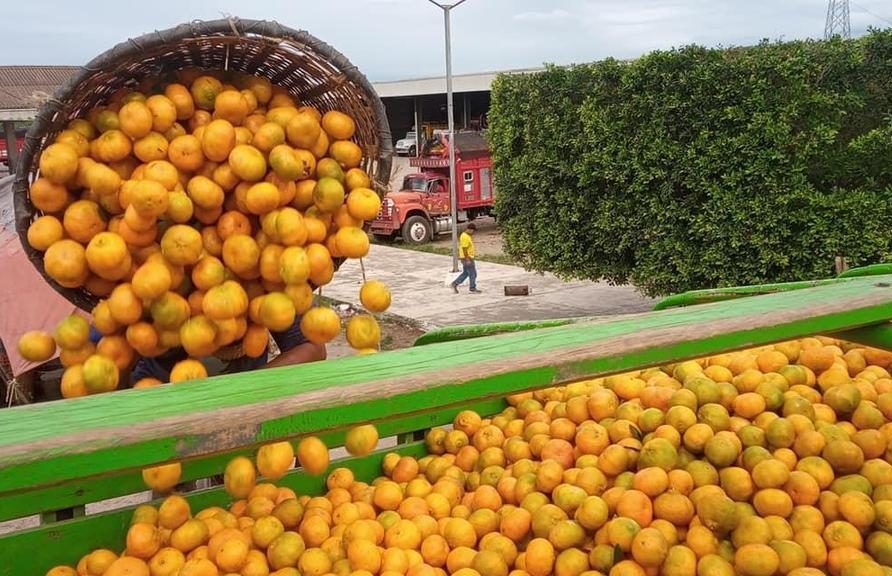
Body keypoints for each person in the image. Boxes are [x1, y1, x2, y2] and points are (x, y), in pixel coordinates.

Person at [130, 317, 326, 384]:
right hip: (163, 406)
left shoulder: (261, 274)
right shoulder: (154, 273)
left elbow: (312, 348)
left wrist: (243, 388)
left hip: (242, 408)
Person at [451, 223, 481, 294]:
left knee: (466, 273)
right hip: (467, 258)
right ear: (470, 229)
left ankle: (455, 283)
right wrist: (467, 259)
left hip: (466, 257)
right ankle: (472, 287)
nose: (473, 232)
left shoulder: (466, 235)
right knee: (473, 273)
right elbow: (464, 248)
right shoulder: (465, 237)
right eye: (473, 231)